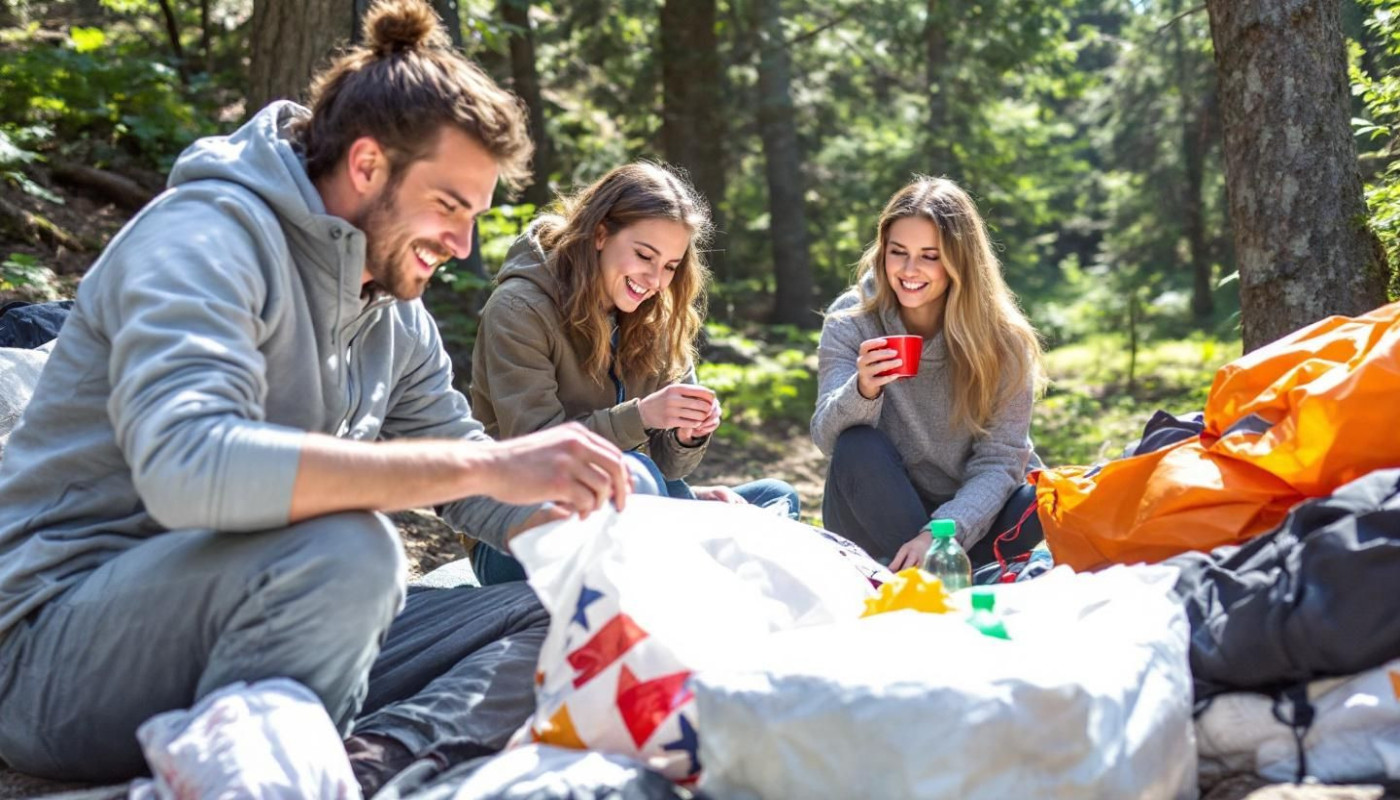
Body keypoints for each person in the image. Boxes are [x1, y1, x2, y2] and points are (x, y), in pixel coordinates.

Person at [0, 1, 631, 789]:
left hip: (262, 608)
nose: (464, 245)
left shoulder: (392, 310)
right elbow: (188, 465)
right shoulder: (204, 240)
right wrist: (490, 468)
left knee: (579, 613)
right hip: (54, 655)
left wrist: (622, 537)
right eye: (449, 207)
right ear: (367, 166)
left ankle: (366, 764)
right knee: (355, 549)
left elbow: (476, 472)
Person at [468, 162, 800, 584]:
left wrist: (685, 434)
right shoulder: (519, 309)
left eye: (670, 266)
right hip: (520, 529)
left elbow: (669, 467)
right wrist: (642, 418)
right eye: (644, 255)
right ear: (601, 234)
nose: (655, 279)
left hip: (627, 506)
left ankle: (694, 564)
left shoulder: (653, 315)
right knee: (638, 476)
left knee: (775, 498)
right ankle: (702, 574)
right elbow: (538, 452)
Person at [812, 176, 1046, 573]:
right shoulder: (852, 319)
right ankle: (952, 575)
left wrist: (941, 537)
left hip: (966, 519)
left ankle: (933, 569)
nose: (909, 269)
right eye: (897, 252)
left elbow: (1000, 460)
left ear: (960, 260)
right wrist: (863, 390)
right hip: (876, 505)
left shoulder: (1003, 340)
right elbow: (826, 438)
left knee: (1040, 497)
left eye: (930, 256)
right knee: (857, 444)